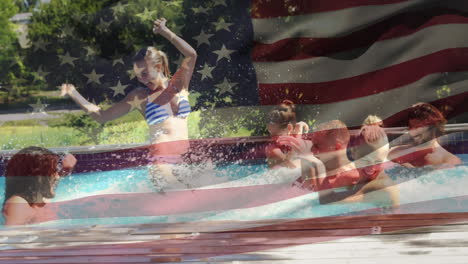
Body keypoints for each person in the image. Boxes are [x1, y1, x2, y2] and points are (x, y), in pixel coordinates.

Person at [60, 18, 197, 189]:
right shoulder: (140, 97)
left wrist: (165, 32)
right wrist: (73, 93)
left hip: (186, 161)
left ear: (159, 67)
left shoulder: (179, 84)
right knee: (182, 201)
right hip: (161, 163)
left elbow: (191, 55)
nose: (141, 79)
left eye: (145, 73)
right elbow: (102, 116)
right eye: (138, 75)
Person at [279, 119, 399, 207]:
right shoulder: (360, 178)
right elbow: (295, 190)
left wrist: (310, 160)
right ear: (355, 155)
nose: (370, 168)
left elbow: (327, 201)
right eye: (365, 161)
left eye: (378, 162)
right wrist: (297, 145)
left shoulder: (380, 186)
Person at [3, 146, 77, 226]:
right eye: (53, 171)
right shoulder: (19, 203)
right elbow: (11, 235)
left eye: (56, 170)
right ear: (38, 177)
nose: (57, 176)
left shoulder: (37, 197)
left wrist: (65, 168)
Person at [389, 103, 461, 168]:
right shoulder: (397, 152)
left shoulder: (448, 160)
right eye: (411, 127)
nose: (412, 132)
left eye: (418, 127)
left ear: (433, 128)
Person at [265, 100, 309, 169]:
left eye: (276, 135)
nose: (272, 138)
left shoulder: (293, 138)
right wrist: (299, 130)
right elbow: (291, 165)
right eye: (270, 133)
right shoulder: (272, 148)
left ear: (289, 128)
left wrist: (298, 129)